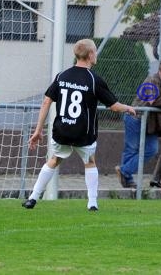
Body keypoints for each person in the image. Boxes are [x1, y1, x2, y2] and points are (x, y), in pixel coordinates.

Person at [22, 39, 136, 211]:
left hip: (62, 131)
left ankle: (33, 198)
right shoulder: (93, 79)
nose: (96, 55)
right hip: (83, 133)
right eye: (95, 52)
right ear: (90, 55)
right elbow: (113, 106)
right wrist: (128, 108)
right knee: (90, 162)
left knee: (53, 160)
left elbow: (46, 102)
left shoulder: (62, 75)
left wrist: (38, 130)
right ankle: (92, 203)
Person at [115, 60, 161, 188]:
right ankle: (127, 179)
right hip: (135, 117)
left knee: (152, 149)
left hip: (150, 121)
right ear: (159, 71)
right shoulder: (152, 80)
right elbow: (152, 101)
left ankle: (124, 170)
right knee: (131, 149)